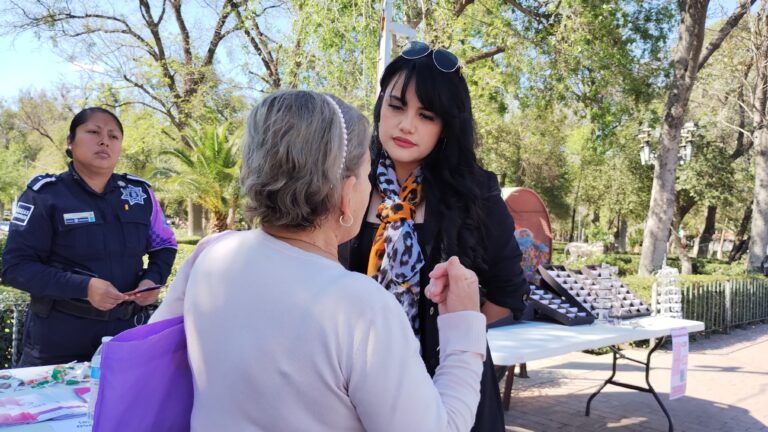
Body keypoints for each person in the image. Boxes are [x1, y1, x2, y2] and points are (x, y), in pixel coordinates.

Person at [150, 90, 487, 431]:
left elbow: (153, 354)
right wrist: (463, 329)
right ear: (344, 194)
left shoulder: (210, 254)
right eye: (368, 177)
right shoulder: (361, 308)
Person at [339, 41, 528, 431]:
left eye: (426, 115)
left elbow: (508, 292)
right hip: (352, 381)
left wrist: (451, 335)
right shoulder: (346, 180)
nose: (407, 124)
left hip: (450, 386)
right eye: (396, 106)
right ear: (380, 108)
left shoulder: (475, 193)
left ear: (446, 127)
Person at [2, 107, 178, 367]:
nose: (104, 140)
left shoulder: (139, 194)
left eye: (114, 136)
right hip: (58, 338)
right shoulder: (45, 195)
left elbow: (164, 245)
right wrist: (84, 288)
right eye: (93, 132)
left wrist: (152, 280)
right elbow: (15, 268)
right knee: (47, 408)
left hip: (124, 334)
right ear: (70, 142)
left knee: (122, 406)